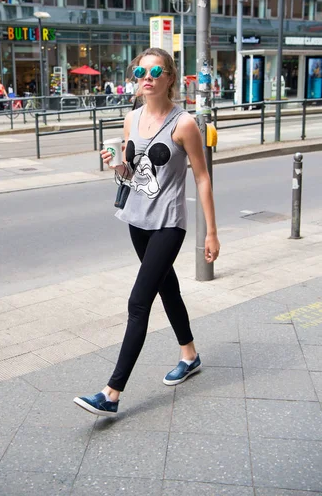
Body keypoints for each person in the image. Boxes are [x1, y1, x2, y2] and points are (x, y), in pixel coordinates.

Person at [74, 47, 220, 418]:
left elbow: (202, 178)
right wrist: (116, 165)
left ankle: (111, 392)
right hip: (137, 218)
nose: (147, 76)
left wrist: (211, 233)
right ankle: (189, 354)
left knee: (139, 302)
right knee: (166, 286)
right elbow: (134, 175)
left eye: (156, 70)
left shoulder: (184, 123)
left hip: (169, 222)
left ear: (170, 77)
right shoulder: (131, 118)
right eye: (141, 70)